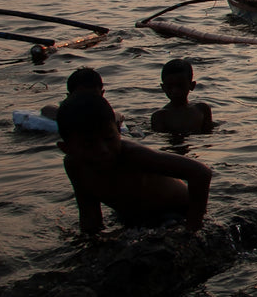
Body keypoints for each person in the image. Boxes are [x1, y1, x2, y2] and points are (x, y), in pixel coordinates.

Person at [58, 92, 213, 234]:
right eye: (89, 144)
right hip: (133, 218)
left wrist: (193, 229)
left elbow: (200, 172)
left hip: (175, 213)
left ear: (118, 130)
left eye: (109, 138)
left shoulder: (133, 156)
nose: (103, 149)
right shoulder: (74, 166)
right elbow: (89, 216)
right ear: (66, 149)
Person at [150, 58, 214, 135]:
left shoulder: (202, 109)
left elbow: (209, 135)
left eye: (180, 86)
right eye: (170, 86)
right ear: (163, 88)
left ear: (192, 85)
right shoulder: (160, 116)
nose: (175, 91)